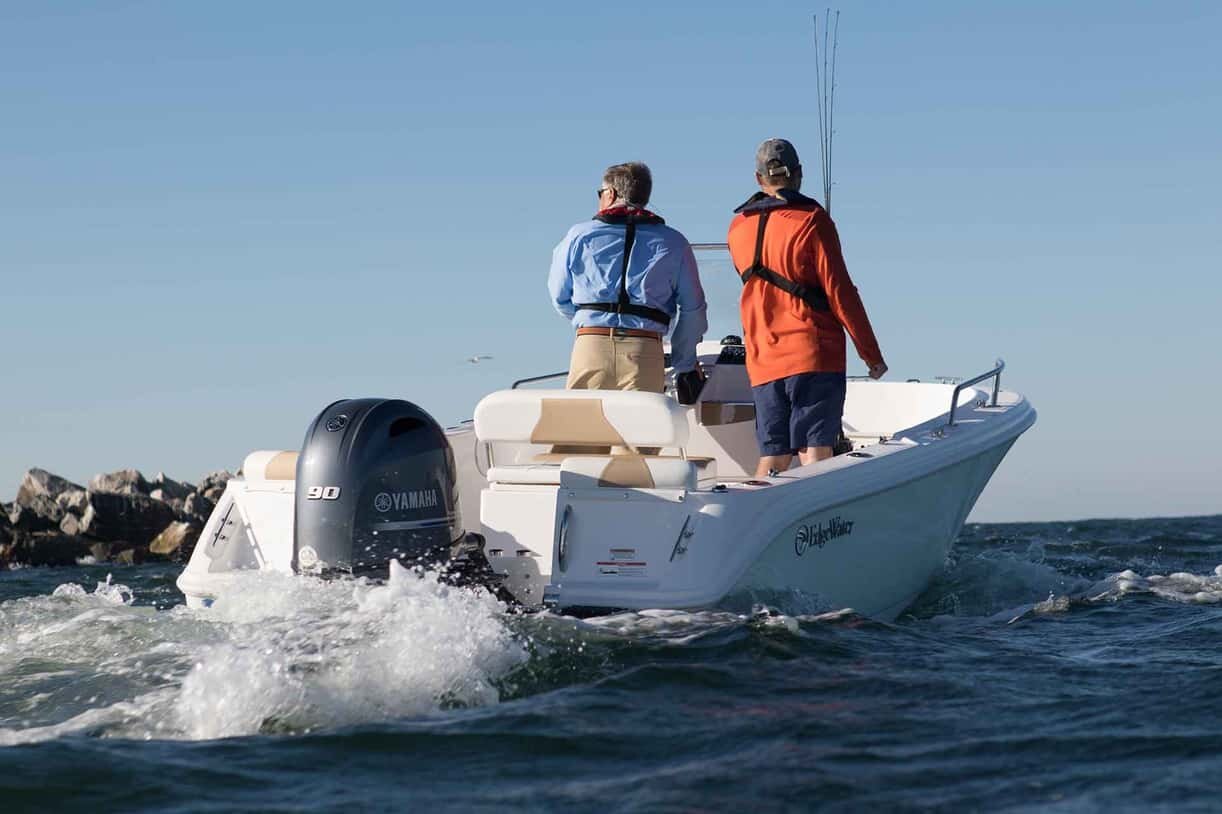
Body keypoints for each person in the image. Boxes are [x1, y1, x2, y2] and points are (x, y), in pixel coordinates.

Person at [726, 138, 887, 477]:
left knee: (773, 457)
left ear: (758, 179)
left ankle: (759, 510)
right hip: (812, 354)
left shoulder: (737, 227)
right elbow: (840, 292)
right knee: (815, 453)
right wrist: (871, 355)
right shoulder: (813, 219)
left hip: (763, 359)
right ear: (799, 173)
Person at [548, 162, 707, 401]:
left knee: (582, 424)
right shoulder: (674, 242)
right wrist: (683, 363)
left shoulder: (579, 236)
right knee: (642, 424)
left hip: (591, 347)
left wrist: (592, 324)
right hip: (644, 351)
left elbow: (559, 296)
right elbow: (693, 309)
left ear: (610, 194)